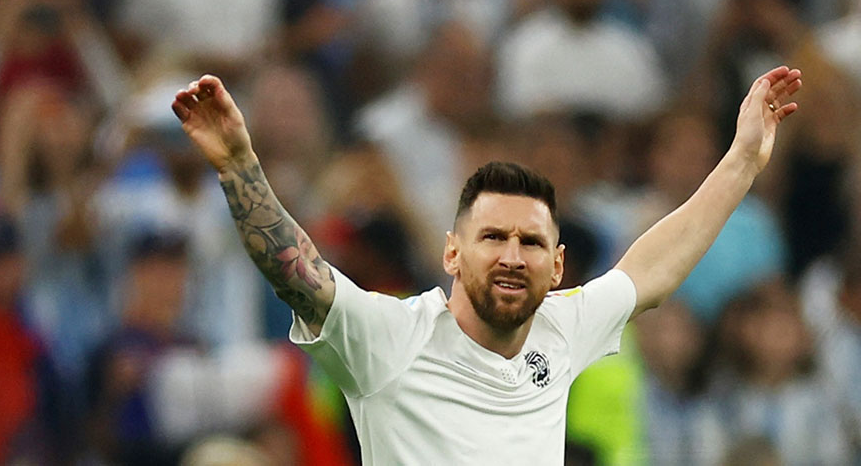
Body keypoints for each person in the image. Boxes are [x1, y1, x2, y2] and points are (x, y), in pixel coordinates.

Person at [170, 65, 802, 464]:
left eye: (530, 243)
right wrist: (238, 167)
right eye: (492, 237)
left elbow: (654, 269)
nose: (511, 256)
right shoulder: (390, 338)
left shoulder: (562, 327)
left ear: (557, 266)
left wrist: (743, 160)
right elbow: (296, 273)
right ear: (451, 251)